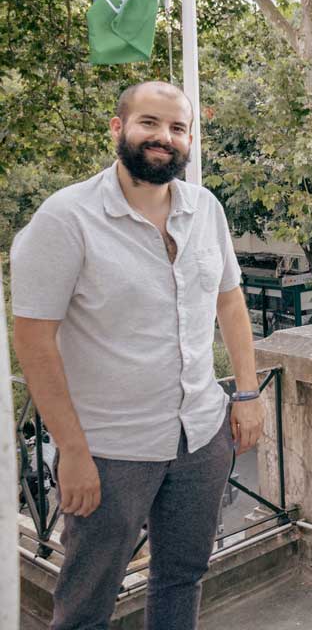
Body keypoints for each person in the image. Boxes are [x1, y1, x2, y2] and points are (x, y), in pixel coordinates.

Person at [10, 81, 265, 630]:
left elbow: (229, 300)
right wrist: (72, 450)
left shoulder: (206, 209)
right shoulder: (66, 218)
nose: (163, 137)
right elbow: (32, 337)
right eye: (149, 123)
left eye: (177, 128)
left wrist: (245, 394)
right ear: (118, 128)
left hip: (200, 434)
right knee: (86, 602)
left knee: (182, 576)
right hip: (110, 448)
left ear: (190, 138)